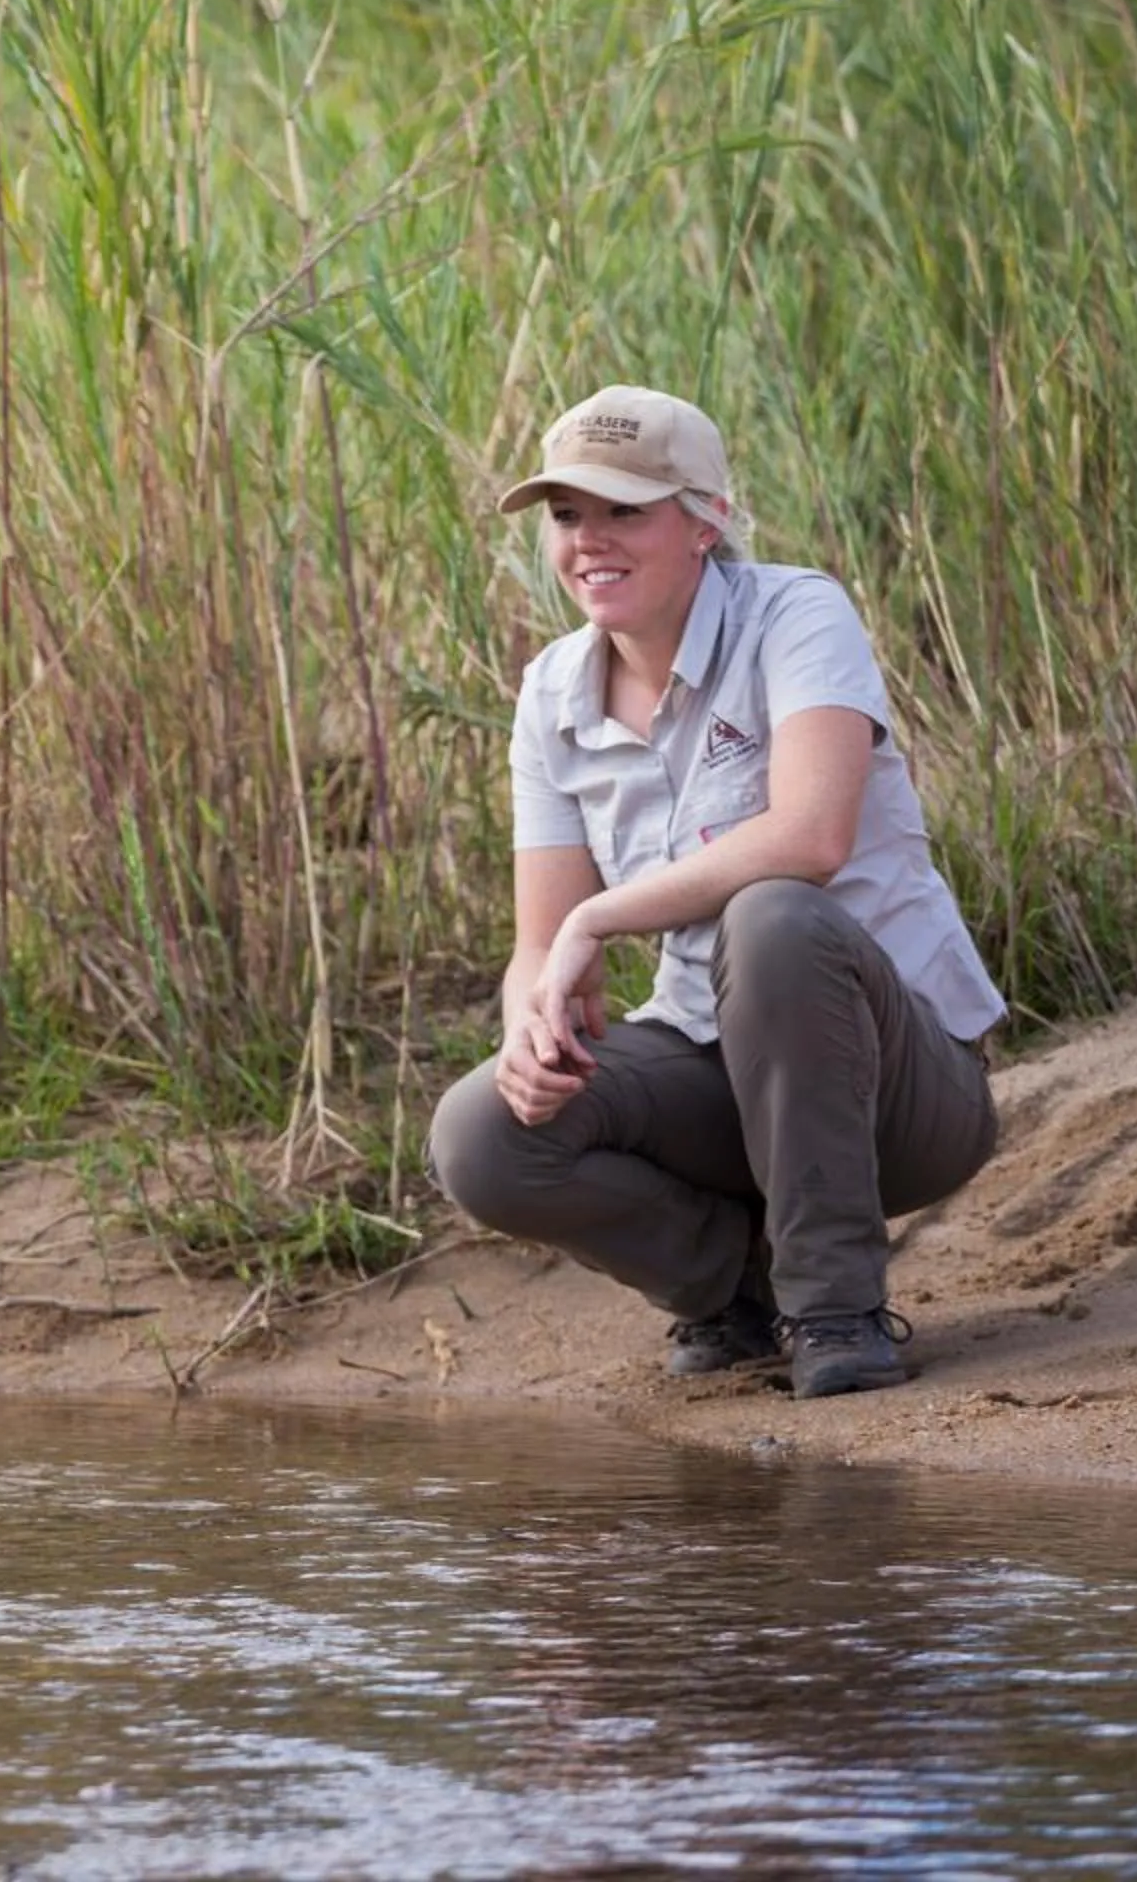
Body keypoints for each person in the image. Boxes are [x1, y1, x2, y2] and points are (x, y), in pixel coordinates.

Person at [427, 385, 1003, 1400]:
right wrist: (530, 1029)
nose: (588, 541)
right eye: (567, 515)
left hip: (900, 1089)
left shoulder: (797, 611)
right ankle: (736, 1290)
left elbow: (812, 838)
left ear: (706, 522)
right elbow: (536, 946)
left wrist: (598, 917)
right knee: (481, 1137)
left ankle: (837, 1311)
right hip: (719, 1076)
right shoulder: (551, 692)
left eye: (624, 511)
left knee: (773, 915)